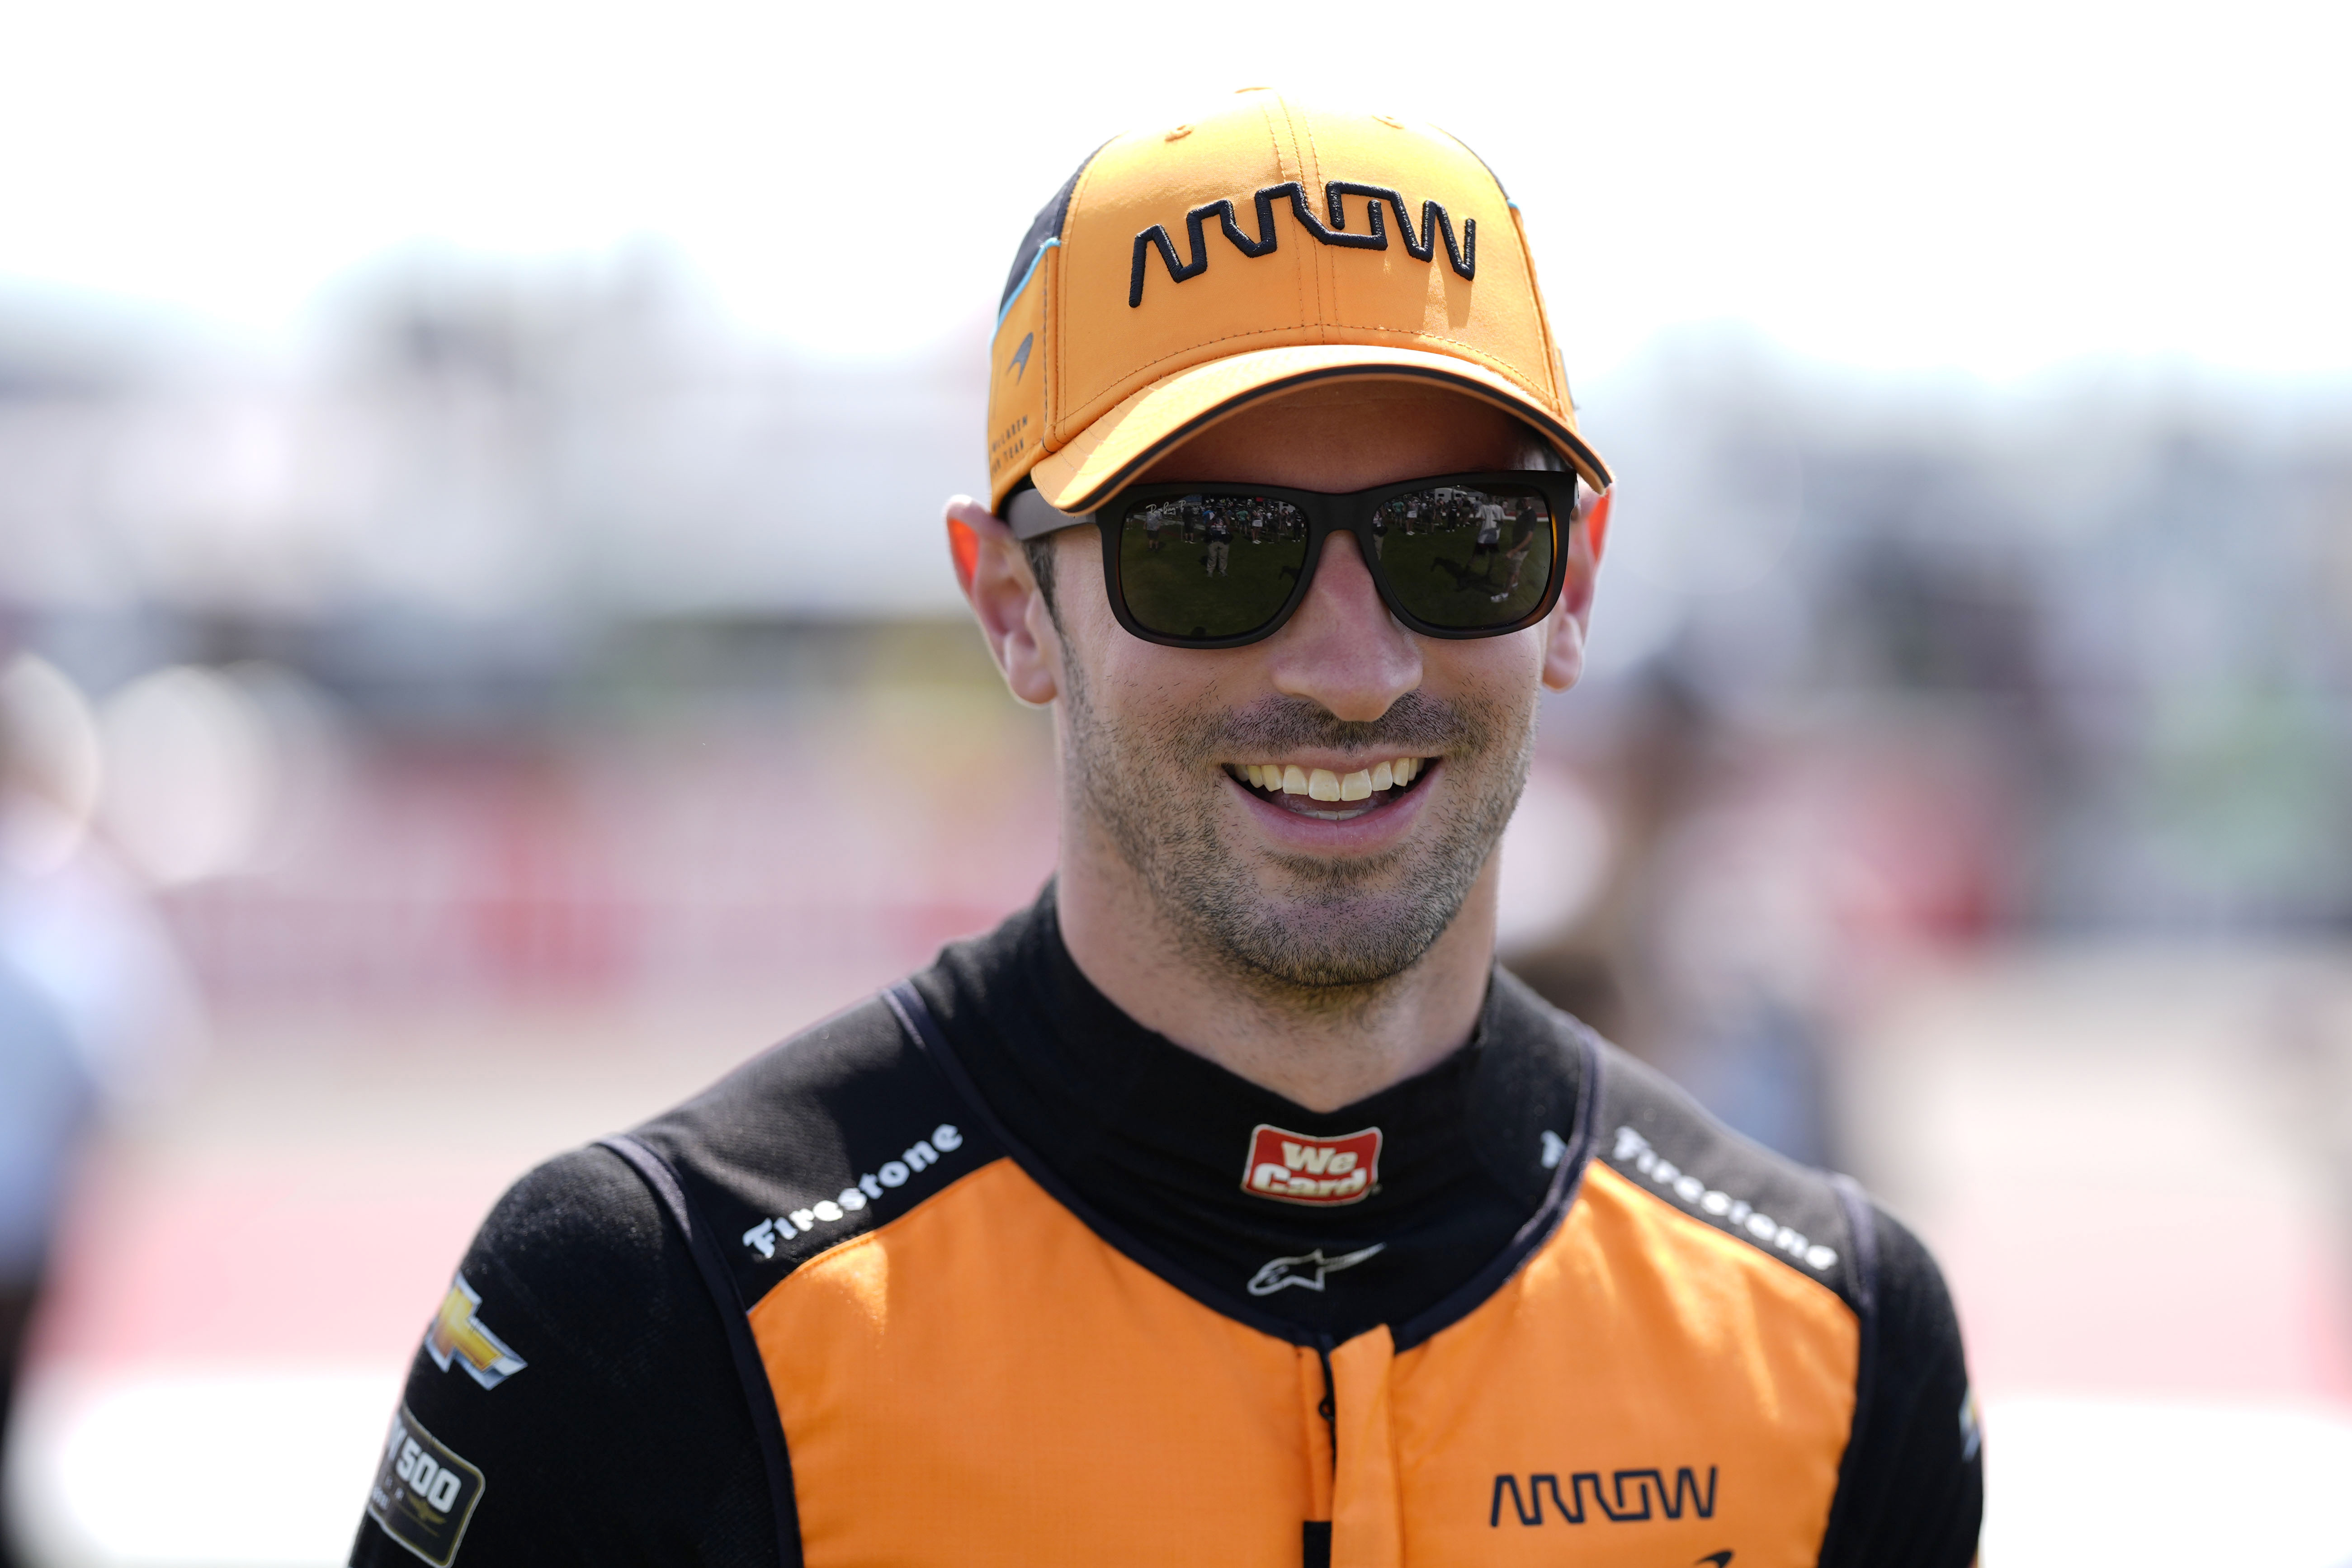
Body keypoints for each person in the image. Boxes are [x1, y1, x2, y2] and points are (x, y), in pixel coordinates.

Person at [350, 90, 1980, 1568]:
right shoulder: (657, 1306)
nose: (1356, 669)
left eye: (1460, 540)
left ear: (1574, 585)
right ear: (1012, 606)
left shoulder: (1834, 1339)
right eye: (1210, 548)